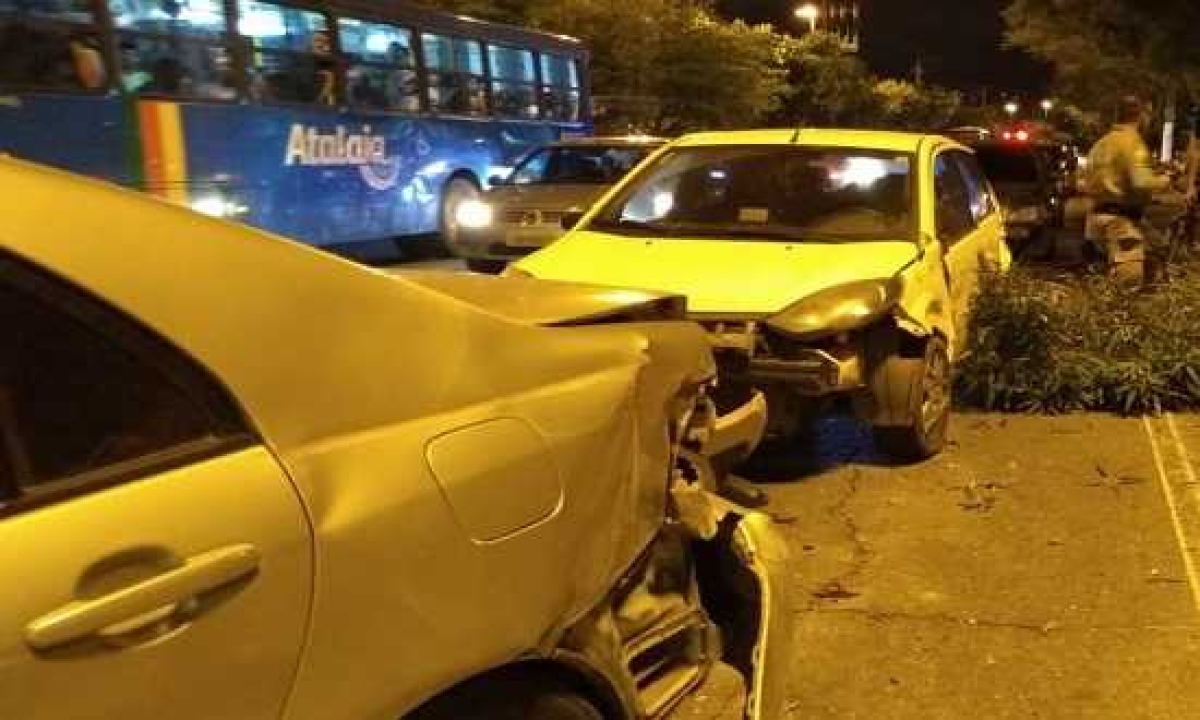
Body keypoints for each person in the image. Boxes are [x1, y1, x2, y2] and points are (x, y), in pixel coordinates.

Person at [1083, 95, 1171, 286]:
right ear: (1141, 116)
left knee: (1157, 245)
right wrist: (1165, 180)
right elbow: (1141, 182)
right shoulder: (1131, 143)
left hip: (1095, 220)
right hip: (1120, 223)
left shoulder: (1100, 144)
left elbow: (1083, 181)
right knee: (1127, 287)